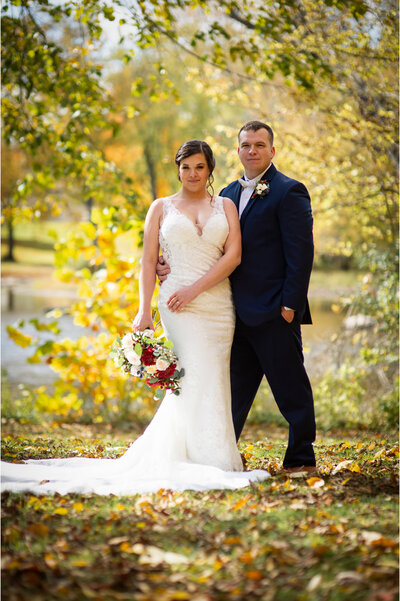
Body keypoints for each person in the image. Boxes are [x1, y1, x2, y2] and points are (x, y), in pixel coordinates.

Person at [1, 139, 270, 495]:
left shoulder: (226, 205)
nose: (192, 173)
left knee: (213, 378)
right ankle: (195, 456)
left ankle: (213, 454)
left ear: (210, 170)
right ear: (177, 169)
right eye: (185, 167)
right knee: (190, 376)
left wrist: (197, 289)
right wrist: (143, 309)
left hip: (218, 306)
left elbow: (232, 256)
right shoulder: (161, 207)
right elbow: (147, 261)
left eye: (199, 167)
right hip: (176, 305)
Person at [158, 121, 316, 475]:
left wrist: (291, 305)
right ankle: (220, 457)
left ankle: (301, 459)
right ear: (239, 150)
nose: (252, 150)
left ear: (272, 151)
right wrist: (163, 261)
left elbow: (301, 252)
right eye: (246, 145)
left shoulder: (289, 191)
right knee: (230, 393)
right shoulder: (226, 194)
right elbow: (209, 247)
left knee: (290, 388)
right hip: (229, 312)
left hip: (276, 310)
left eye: (260, 145)